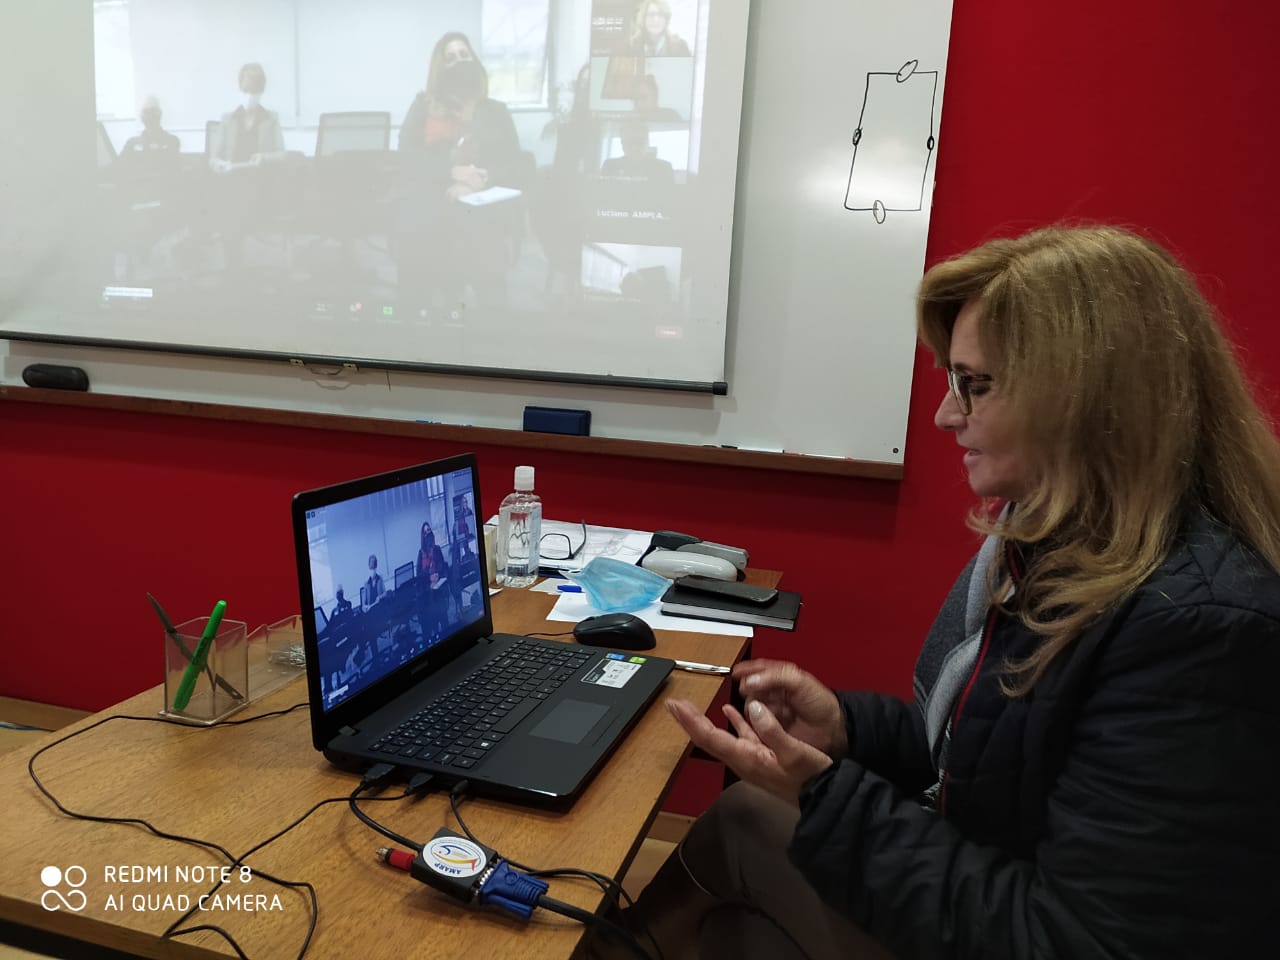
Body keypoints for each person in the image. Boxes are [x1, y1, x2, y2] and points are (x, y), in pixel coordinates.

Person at [622, 224, 1280, 959]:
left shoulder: (1199, 629)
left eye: (978, 384)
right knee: (737, 918)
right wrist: (845, 730)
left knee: (746, 826)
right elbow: (990, 762)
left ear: (1086, 397)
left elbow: (1073, 941)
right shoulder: (1049, 550)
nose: (944, 414)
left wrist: (826, 795)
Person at [397, 52, 524, 307]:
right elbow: (410, 161)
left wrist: (479, 179)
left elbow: (517, 164)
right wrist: (452, 173)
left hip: (482, 221)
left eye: (463, 56)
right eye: (450, 58)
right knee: (421, 242)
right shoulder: (430, 114)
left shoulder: (493, 113)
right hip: (434, 216)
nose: (458, 64)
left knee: (487, 269)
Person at [209, 63, 284, 170]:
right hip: (232, 180)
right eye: (245, 91)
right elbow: (213, 159)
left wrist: (264, 157)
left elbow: (281, 154)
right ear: (239, 89)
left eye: (254, 91)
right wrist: (220, 164)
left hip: (262, 180)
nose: (249, 96)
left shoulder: (271, 118)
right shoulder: (227, 119)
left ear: (261, 91)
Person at [119, 97, 180, 167]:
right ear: (141, 116)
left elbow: (171, 167)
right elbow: (119, 165)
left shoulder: (172, 141)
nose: (149, 115)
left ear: (159, 114)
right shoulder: (131, 143)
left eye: (153, 111)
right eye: (146, 112)